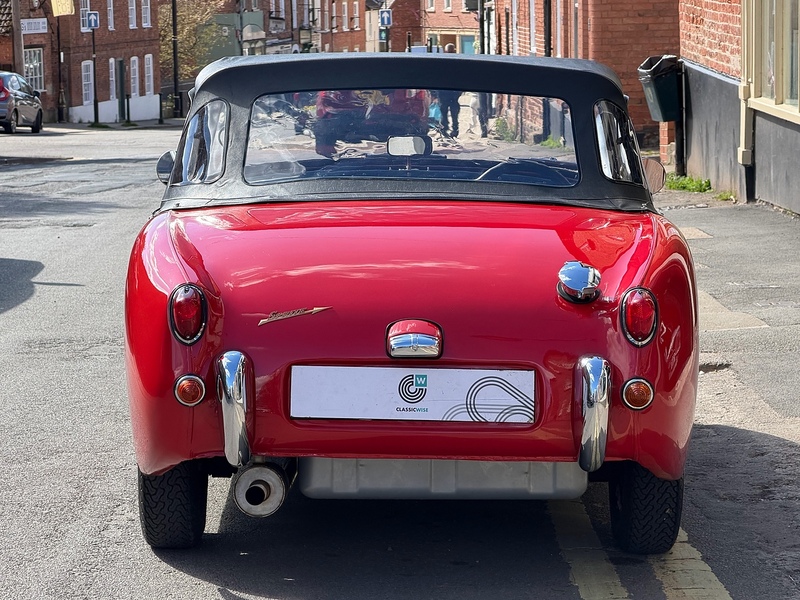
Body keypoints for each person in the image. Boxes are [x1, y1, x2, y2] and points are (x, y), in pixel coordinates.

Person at [437, 44, 461, 137]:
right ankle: (445, 129)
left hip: (451, 93)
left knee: (452, 113)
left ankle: (452, 129)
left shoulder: (455, 62)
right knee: (445, 112)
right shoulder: (442, 63)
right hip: (445, 93)